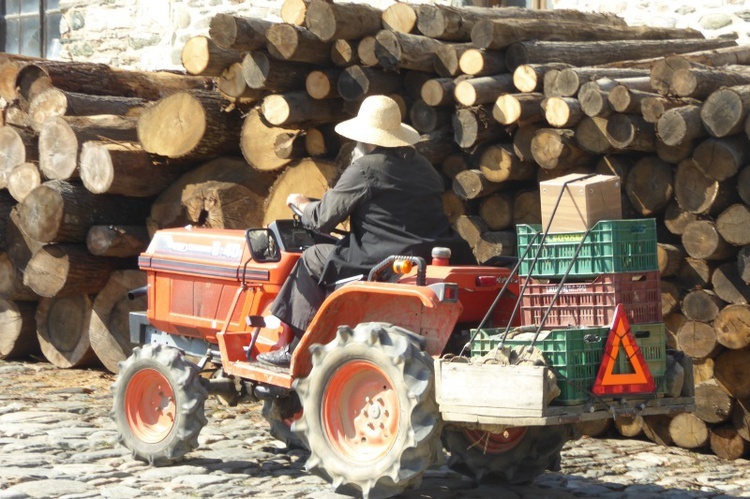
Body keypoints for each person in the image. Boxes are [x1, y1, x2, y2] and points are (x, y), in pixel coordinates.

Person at [257, 95, 474, 367]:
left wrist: (301, 204)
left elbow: (322, 219)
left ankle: (294, 347)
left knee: (312, 257)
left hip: (382, 260)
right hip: (426, 254)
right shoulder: (424, 167)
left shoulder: (365, 168)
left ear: (365, 139)